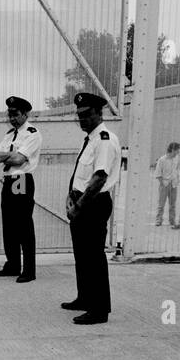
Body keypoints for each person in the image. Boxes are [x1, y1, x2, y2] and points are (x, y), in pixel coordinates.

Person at [62, 92, 120, 325]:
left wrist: (79, 207)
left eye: (86, 115)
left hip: (93, 204)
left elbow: (98, 178)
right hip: (81, 201)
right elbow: (80, 174)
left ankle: (99, 309)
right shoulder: (90, 140)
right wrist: (70, 197)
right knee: (82, 255)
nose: (82, 120)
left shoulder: (104, 140)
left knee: (94, 257)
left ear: (99, 113)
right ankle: (85, 298)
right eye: (79, 116)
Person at [0, 95, 42, 282]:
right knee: (9, 225)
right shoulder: (9, 134)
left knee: (23, 226)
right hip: (9, 180)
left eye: (15, 114)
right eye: (9, 114)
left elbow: (20, 160)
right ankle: (12, 264)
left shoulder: (32, 133)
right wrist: (11, 155)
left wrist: (9, 156)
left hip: (21, 180)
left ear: (25, 114)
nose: (12, 118)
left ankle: (29, 270)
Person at [154, 141, 180, 227]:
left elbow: (177, 169)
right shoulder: (162, 160)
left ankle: (172, 220)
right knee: (161, 204)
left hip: (174, 184)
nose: (178, 152)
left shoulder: (177, 158)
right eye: (177, 150)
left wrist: (177, 179)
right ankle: (158, 220)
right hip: (165, 184)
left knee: (172, 204)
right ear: (173, 150)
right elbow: (158, 173)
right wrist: (163, 183)